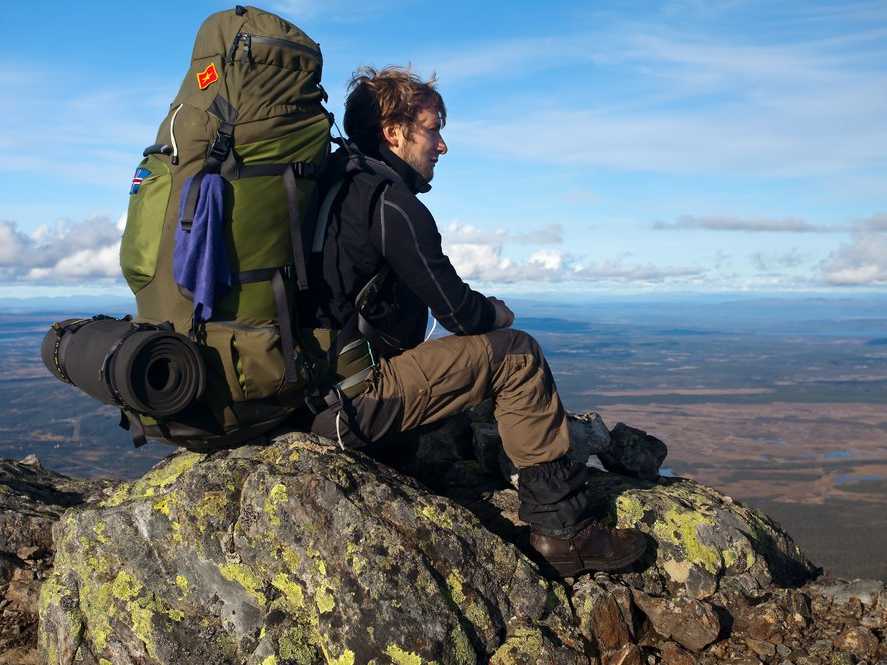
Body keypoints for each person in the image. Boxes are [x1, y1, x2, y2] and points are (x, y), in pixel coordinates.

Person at [300, 66, 646, 577]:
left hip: (308, 396)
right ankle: (563, 533)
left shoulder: (329, 185)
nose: (441, 146)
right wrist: (498, 312)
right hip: (351, 404)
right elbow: (460, 313)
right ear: (394, 133)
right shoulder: (388, 202)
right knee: (518, 354)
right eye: (433, 128)